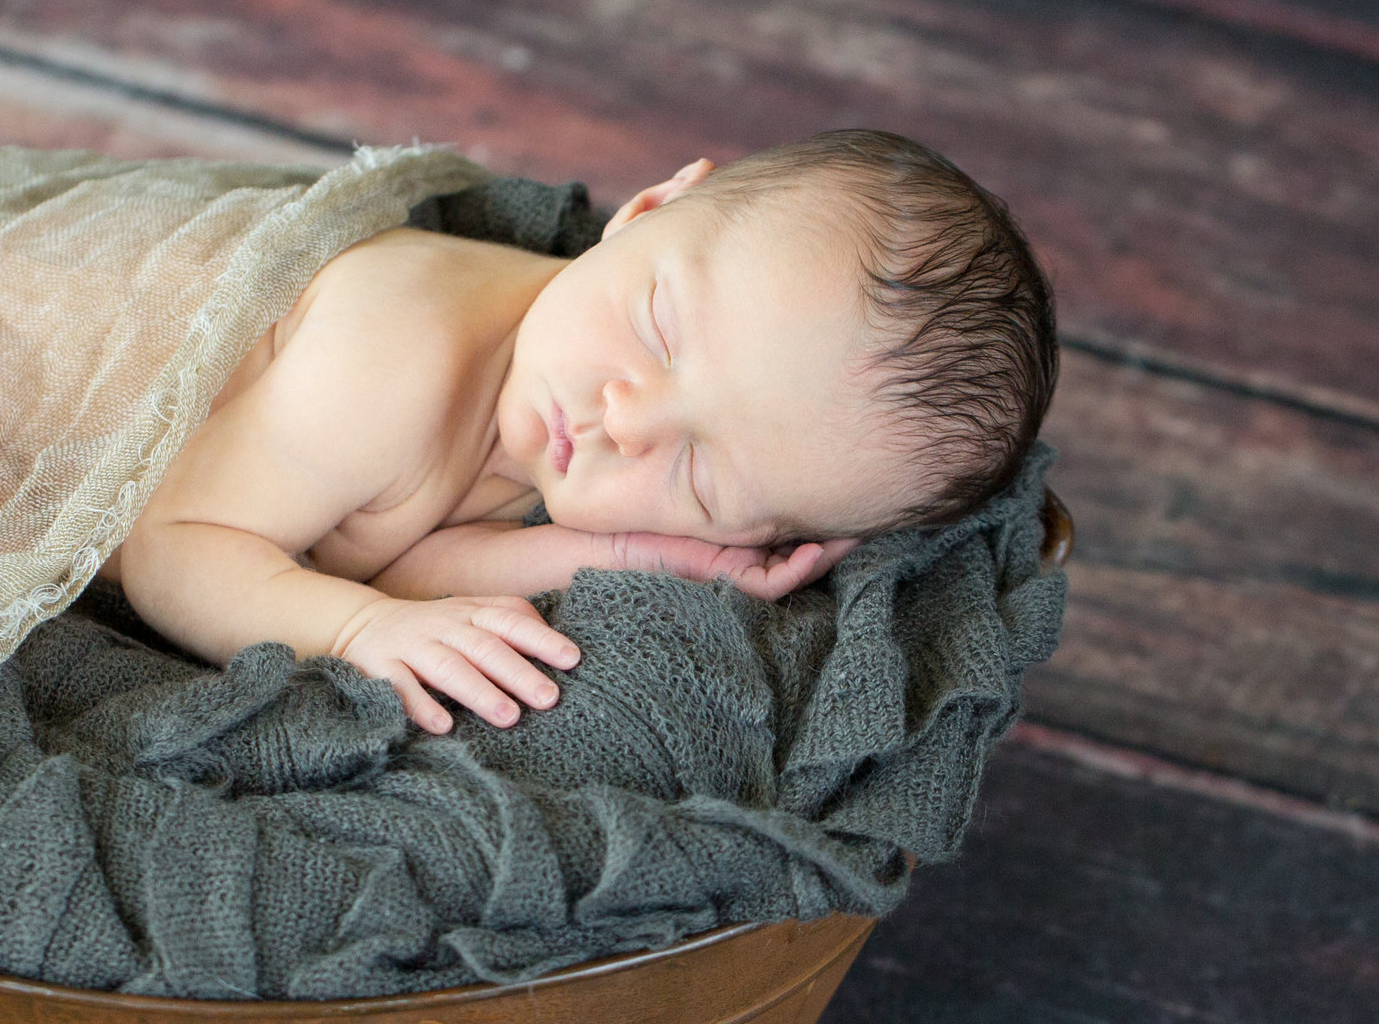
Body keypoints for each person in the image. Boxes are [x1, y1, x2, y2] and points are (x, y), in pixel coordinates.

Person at [100, 129, 1056, 735]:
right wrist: (356, 630)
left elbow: (388, 550)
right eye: (662, 330)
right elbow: (173, 546)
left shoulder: (538, 401)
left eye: (701, 477)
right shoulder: (391, 360)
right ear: (649, 209)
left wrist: (639, 552)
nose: (626, 418)